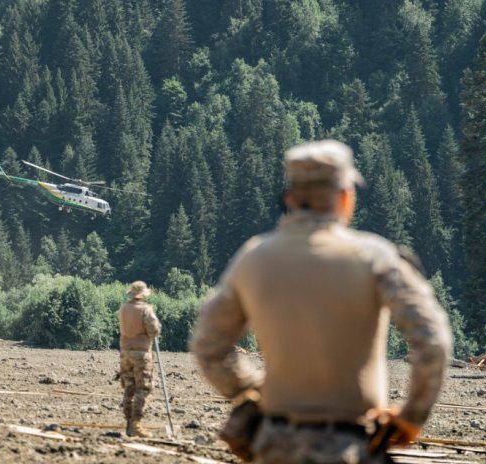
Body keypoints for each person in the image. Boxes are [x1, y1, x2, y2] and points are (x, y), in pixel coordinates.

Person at [190, 140, 452, 463]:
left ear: (290, 198)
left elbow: (208, 345)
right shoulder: (374, 257)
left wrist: (254, 392)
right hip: (351, 446)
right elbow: (433, 340)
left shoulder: (252, 258)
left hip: (274, 445)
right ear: (345, 197)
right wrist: (412, 415)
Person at [118, 280, 161, 437]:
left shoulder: (123, 309)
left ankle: (129, 424)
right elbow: (154, 331)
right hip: (141, 354)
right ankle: (136, 424)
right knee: (143, 388)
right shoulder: (145, 310)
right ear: (143, 295)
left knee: (129, 387)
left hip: (125, 353)